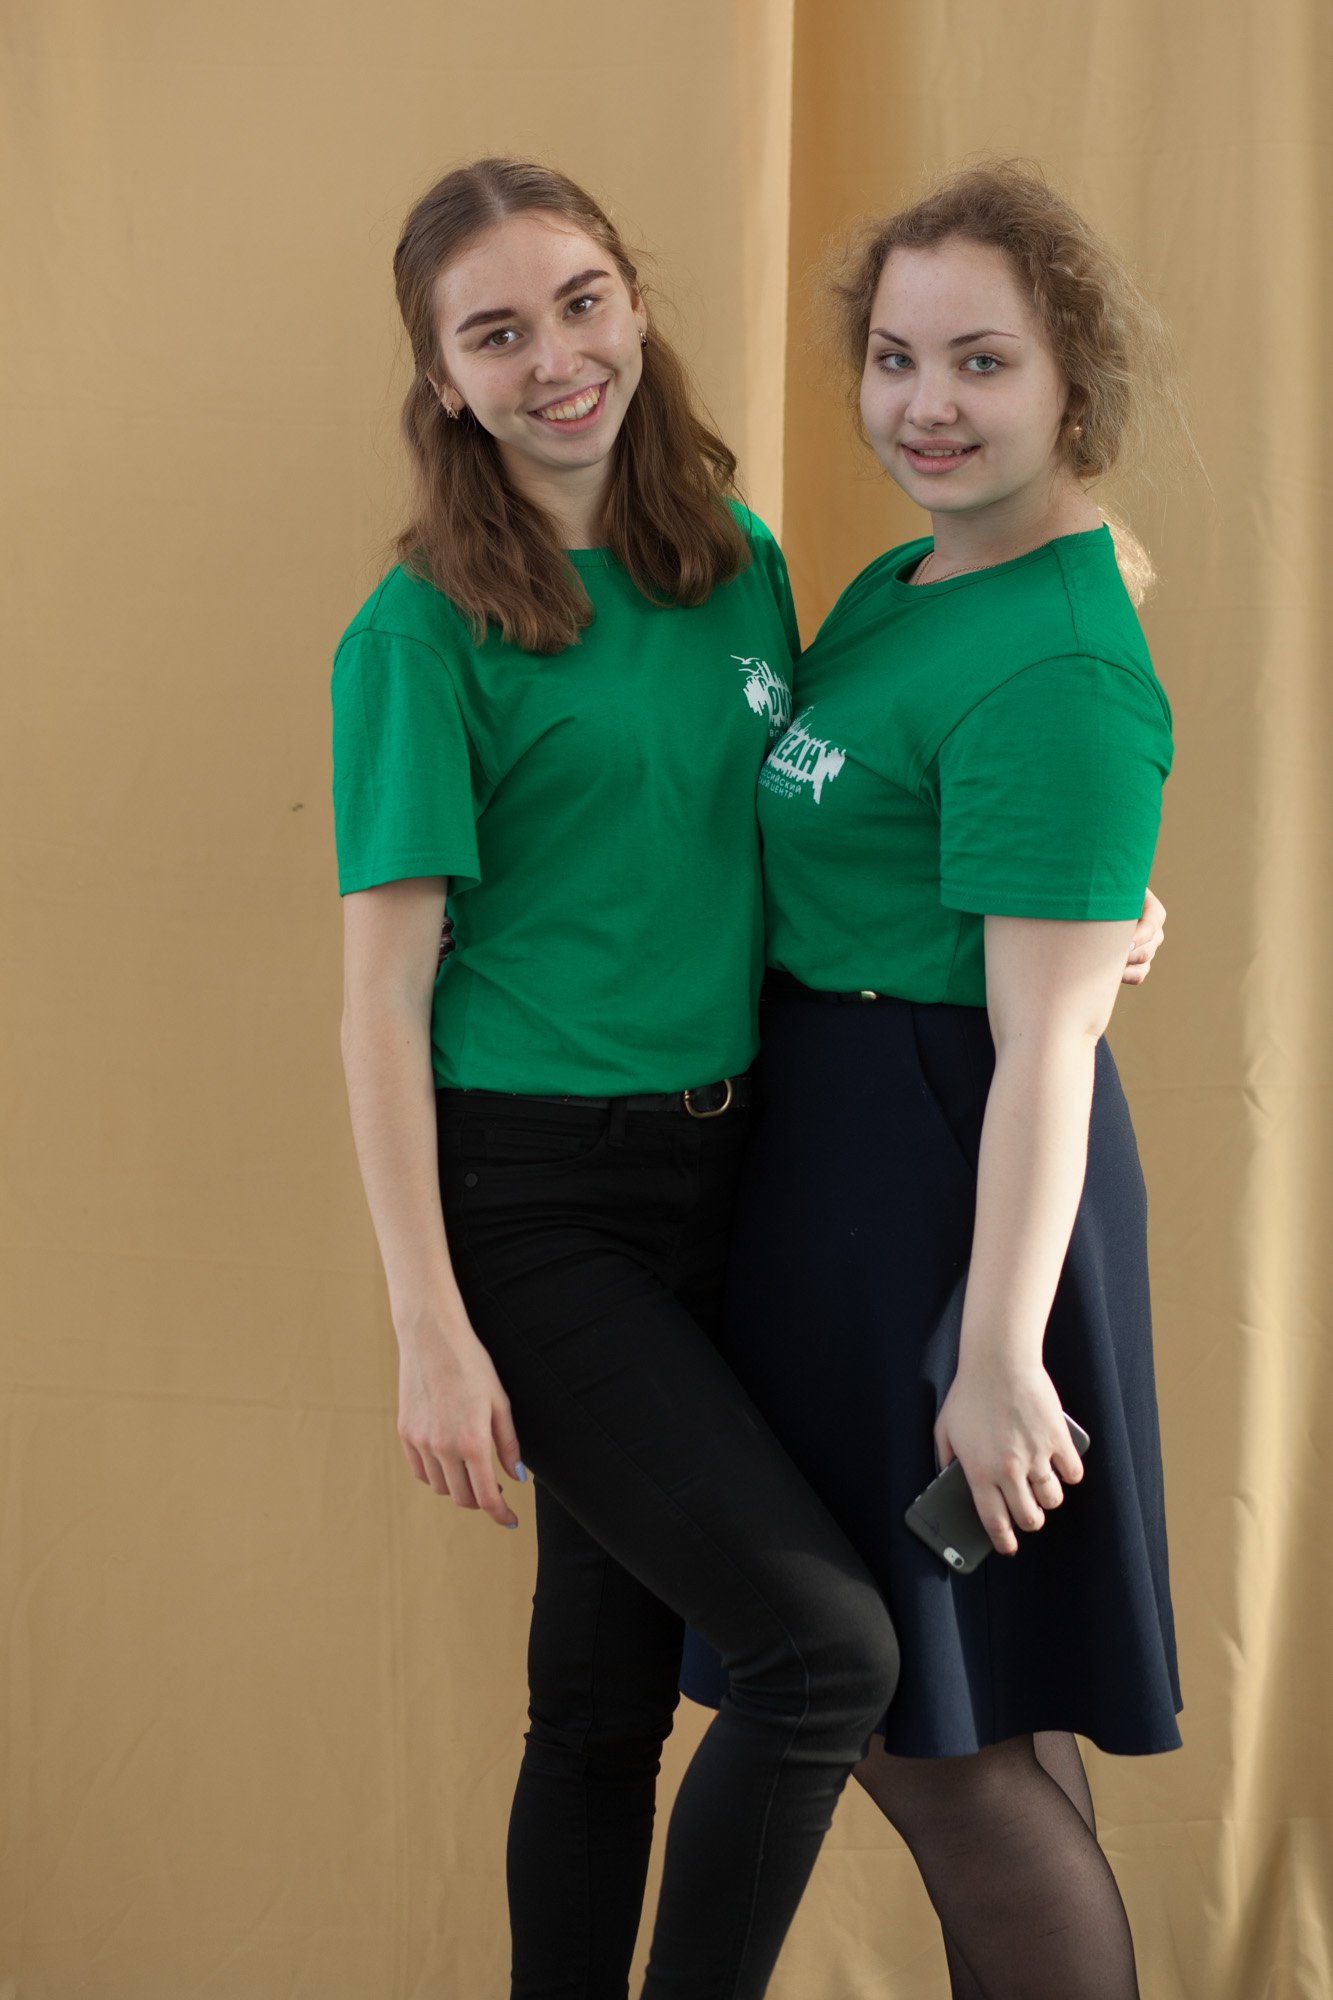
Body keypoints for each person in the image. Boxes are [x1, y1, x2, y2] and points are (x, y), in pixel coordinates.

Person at [331, 157, 906, 2000]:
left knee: (596, 1707)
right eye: (495, 333)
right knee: (822, 1657)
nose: (555, 357)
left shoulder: (731, 561)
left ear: (634, 303)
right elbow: (378, 1001)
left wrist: (1083, 901)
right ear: (444, 381)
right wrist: (429, 1326)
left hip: (735, 1183)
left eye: (580, 302)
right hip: (535, 1205)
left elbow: (824, 837)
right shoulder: (419, 633)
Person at [680, 162, 1184, 2000]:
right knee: (981, 1711)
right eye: (895, 358)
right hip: (852, 1162)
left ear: (1072, 380)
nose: (925, 405)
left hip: (947, 1189)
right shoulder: (911, 582)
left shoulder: (1058, 657)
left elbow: (1045, 1041)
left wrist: (993, 1355)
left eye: (981, 361)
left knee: (922, 1728)